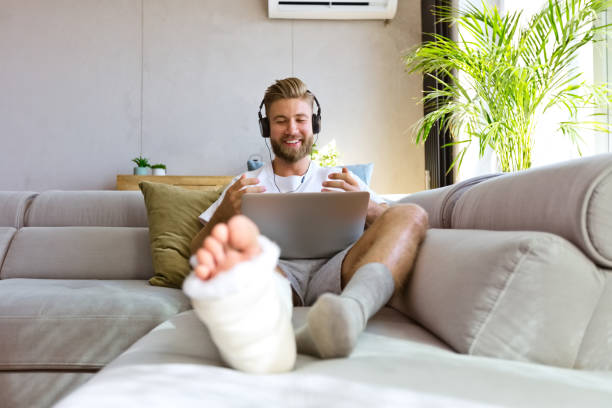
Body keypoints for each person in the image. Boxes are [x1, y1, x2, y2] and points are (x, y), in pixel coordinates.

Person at [183, 77, 428, 374]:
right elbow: (196, 252)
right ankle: (271, 325)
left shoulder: (341, 176)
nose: (292, 130)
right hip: (277, 271)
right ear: (266, 128)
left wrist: (370, 208)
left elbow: (395, 223)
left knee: (412, 213)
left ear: (314, 124)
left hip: (340, 268)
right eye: (280, 121)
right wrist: (223, 212)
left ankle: (351, 312)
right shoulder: (244, 184)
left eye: (300, 119)